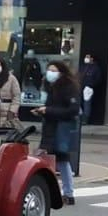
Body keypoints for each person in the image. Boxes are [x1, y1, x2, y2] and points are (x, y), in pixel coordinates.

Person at [39, 60, 79, 205]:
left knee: (62, 159)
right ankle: (50, 191)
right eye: (49, 70)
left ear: (61, 72)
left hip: (60, 128)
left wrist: (48, 110)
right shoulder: (51, 86)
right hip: (50, 126)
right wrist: (43, 111)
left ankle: (68, 193)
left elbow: (73, 110)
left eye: (54, 70)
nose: (51, 73)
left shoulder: (68, 87)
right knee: (47, 158)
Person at [80, 52, 103, 123]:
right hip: (80, 86)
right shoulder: (82, 67)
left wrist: (90, 85)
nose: (86, 58)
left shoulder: (96, 68)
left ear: (92, 59)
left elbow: (98, 79)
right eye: (85, 57)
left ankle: (85, 120)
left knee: (87, 103)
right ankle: (79, 118)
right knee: (79, 103)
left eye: (88, 57)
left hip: (88, 88)